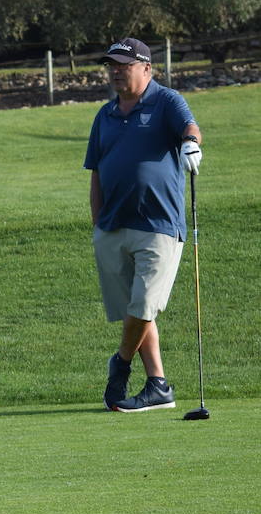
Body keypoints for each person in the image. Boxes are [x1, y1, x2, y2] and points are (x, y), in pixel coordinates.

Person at [86, 37, 201, 412]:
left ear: (147, 68)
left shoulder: (166, 101)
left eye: (124, 65)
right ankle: (158, 384)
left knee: (145, 303)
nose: (116, 71)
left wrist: (191, 145)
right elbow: (97, 173)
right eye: (112, 65)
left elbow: (190, 127)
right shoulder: (104, 115)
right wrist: (97, 226)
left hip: (159, 223)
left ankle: (120, 364)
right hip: (112, 225)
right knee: (134, 307)